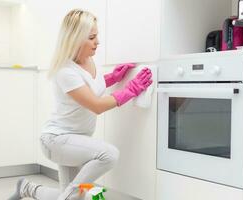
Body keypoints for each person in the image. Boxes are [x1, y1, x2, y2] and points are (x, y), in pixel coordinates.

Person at [8, 9, 152, 200]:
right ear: (75, 39)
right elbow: (96, 105)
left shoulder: (90, 59)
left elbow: (88, 86)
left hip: (76, 142)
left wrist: (113, 77)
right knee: (109, 155)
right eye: (92, 37)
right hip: (57, 141)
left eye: (97, 35)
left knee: (72, 196)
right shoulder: (65, 71)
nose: (97, 41)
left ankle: (27, 189)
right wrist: (130, 90)